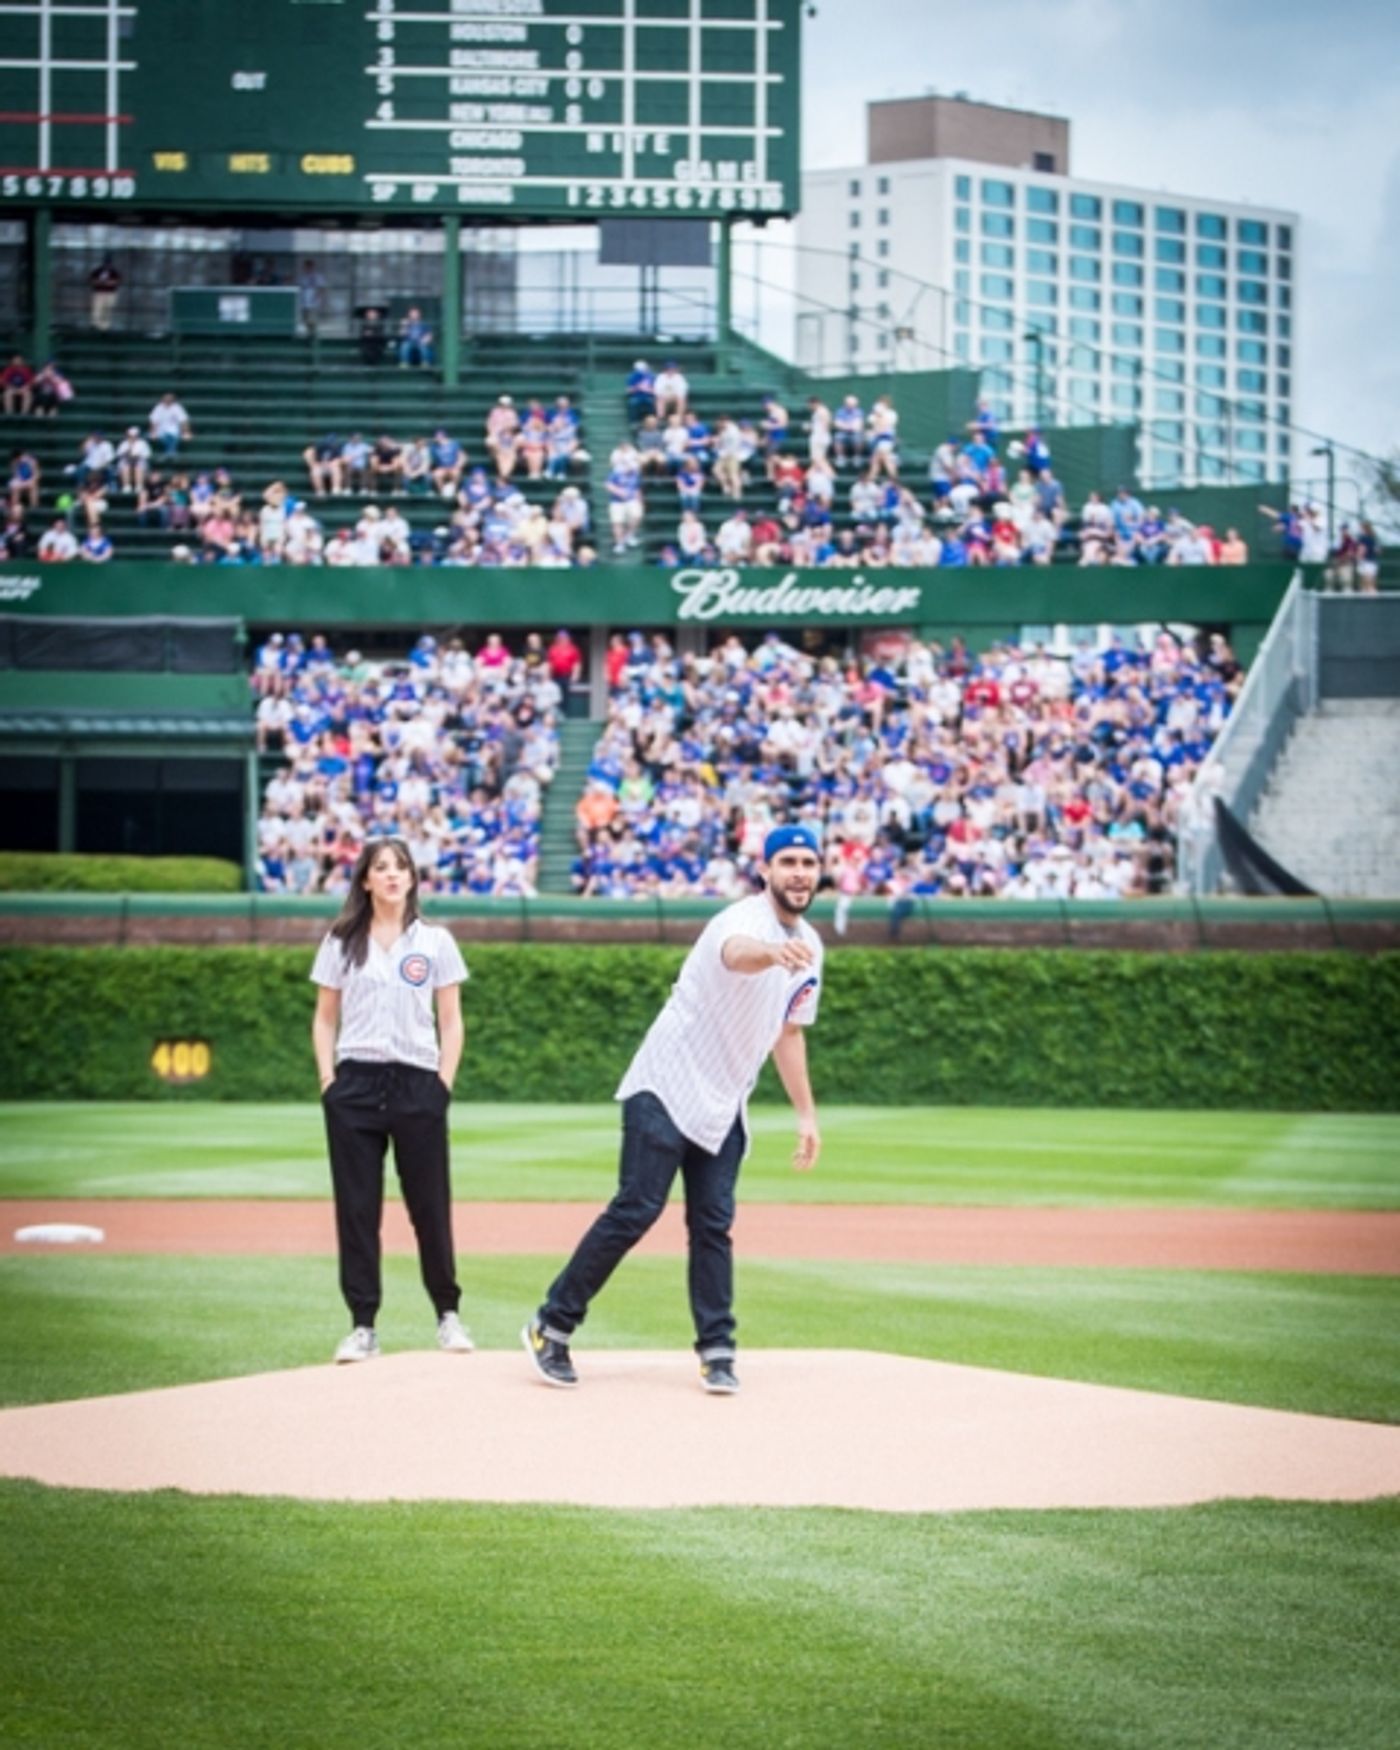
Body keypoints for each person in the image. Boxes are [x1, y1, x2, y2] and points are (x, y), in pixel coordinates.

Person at [522, 824, 825, 1395]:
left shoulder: (811, 946)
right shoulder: (740, 923)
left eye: (809, 862)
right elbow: (738, 956)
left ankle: (718, 1349)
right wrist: (771, 952)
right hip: (665, 1084)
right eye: (787, 861)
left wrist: (806, 1114)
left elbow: (789, 1033)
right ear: (766, 870)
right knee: (636, 1208)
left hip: (725, 1102)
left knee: (713, 1225)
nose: (799, 872)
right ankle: (551, 1326)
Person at [310, 836, 474, 1365]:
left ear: (411, 879)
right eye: (381, 867)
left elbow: (451, 1021)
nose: (392, 875)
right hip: (355, 1085)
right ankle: (362, 1326)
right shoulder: (340, 942)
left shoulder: (435, 942)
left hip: (417, 1083)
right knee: (357, 1210)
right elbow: (324, 1017)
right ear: (365, 880)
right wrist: (328, 1081)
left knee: (430, 1206)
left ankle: (447, 1315)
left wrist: (441, 1085)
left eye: (400, 867)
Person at [89, 254, 122, 331]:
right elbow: (92, 281)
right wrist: (102, 283)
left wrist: (105, 283)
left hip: (110, 294)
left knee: (108, 309)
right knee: (97, 308)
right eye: (106, 263)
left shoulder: (114, 272)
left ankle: (105, 327)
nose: (107, 265)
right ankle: (95, 325)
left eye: (108, 263)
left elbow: (116, 282)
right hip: (99, 293)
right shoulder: (98, 271)